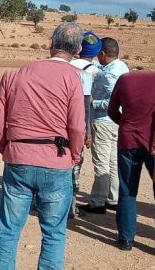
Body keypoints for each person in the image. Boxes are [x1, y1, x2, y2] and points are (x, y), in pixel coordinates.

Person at [0, 22, 85, 270]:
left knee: (9, 229)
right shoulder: (73, 78)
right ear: (77, 50)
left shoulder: (14, 75)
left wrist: (6, 149)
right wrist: (74, 156)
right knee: (54, 232)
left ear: (51, 45)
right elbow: (77, 126)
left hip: (18, 157)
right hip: (57, 161)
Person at [80, 37, 129, 214]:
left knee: (101, 161)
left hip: (103, 121)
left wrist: (94, 102)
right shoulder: (121, 67)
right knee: (113, 161)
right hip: (116, 122)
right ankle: (112, 198)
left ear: (102, 53)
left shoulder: (110, 74)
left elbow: (114, 102)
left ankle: (97, 202)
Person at [107, 70, 155, 251]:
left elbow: (111, 110)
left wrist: (127, 124)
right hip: (152, 145)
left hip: (128, 142)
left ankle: (126, 240)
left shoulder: (124, 79)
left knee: (127, 191)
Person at [68, 32, 102, 217]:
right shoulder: (88, 70)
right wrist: (87, 132)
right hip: (76, 124)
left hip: (58, 122)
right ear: (96, 52)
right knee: (75, 165)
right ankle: (71, 208)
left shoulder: (66, 64)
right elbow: (85, 104)